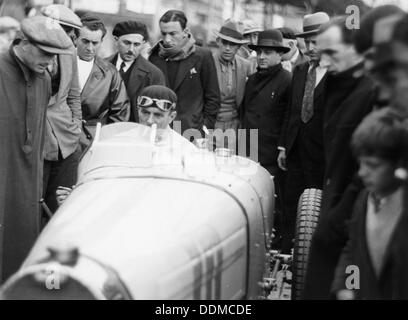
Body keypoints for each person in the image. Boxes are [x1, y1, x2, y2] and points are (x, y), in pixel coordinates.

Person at [302, 16, 376, 299]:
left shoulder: (374, 93)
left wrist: (337, 221)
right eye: (322, 54)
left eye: (332, 53)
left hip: (353, 232)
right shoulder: (341, 85)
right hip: (335, 223)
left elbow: (370, 169)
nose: (325, 62)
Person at [0, 15, 73, 282]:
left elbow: (38, 134)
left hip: (28, 181)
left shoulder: (42, 79)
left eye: (56, 56)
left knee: (21, 249)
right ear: (24, 43)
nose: (51, 62)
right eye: (46, 53)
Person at [332, 107, 408, 300]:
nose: (362, 172)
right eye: (361, 163)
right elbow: (353, 251)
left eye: (373, 165)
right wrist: (348, 288)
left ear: (399, 164)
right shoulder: (364, 200)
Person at [277, 12, 329, 254]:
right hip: (295, 152)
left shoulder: (339, 75)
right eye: (307, 42)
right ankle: (287, 256)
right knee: (291, 205)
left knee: (317, 209)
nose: (310, 48)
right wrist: (284, 147)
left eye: (316, 41)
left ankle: (312, 258)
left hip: (322, 157)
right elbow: (291, 111)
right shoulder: (299, 71)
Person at [40, 4, 83, 215]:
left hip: (66, 141)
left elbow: (74, 95)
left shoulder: (69, 53)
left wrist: (76, 127)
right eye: (66, 30)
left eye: (72, 32)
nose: (71, 37)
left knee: (61, 206)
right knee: (34, 206)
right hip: (37, 143)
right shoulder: (28, 53)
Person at [149, 10, 220, 135]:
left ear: (185, 32)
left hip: (192, 131)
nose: (167, 39)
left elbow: (213, 98)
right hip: (160, 130)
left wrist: (204, 128)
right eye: (164, 33)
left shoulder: (203, 56)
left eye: (172, 34)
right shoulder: (154, 57)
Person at [240, 29, 291, 180]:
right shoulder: (252, 79)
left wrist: (283, 149)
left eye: (267, 52)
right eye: (259, 52)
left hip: (270, 156)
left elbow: (288, 119)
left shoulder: (287, 80)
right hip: (246, 150)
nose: (261, 57)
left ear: (280, 54)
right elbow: (245, 114)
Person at [75, 14, 130, 150]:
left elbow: (120, 113)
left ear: (101, 42)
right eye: (85, 41)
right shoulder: (60, 64)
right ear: (75, 39)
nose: (90, 48)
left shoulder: (110, 73)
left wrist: (105, 142)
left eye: (95, 43)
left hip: (91, 142)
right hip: (59, 138)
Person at [107, 20, 165, 122]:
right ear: (116, 40)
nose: (131, 49)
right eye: (127, 43)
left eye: (137, 44)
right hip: (103, 130)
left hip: (135, 132)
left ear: (143, 44)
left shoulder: (154, 74)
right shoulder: (101, 66)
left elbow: (157, 112)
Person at [212, 19, 252, 150]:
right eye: (225, 42)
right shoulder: (208, 62)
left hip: (235, 125)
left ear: (239, 47)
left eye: (233, 44)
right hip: (211, 124)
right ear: (218, 41)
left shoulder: (246, 66)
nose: (228, 48)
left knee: (232, 164)